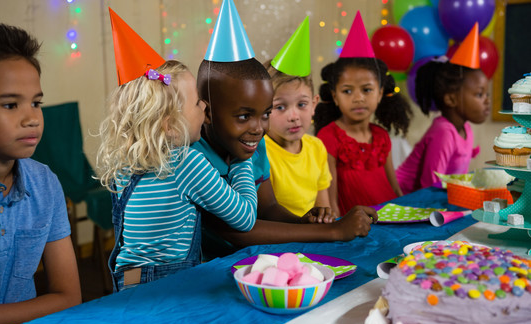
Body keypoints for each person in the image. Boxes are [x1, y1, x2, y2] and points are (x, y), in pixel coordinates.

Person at [193, 2, 376, 258]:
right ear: (208, 113)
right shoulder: (194, 158)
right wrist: (333, 231)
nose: (258, 128)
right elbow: (238, 232)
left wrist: (303, 221)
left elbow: (268, 206)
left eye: (265, 114)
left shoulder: (252, 144)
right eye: (244, 115)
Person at [97, 10, 258, 292]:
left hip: (126, 283)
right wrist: (243, 162)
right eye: (198, 103)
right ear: (170, 124)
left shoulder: (124, 164)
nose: (205, 108)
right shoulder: (185, 163)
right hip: (170, 286)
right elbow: (244, 218)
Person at [0, 21, 81, 324]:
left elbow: (68, 296)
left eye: (36, 103)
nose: (32, 118)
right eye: (11, 104)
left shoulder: (44, 183)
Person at [313, 12, 412, 217]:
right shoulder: (327, 137)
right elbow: (330, 200)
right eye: (347, 91)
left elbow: (394, 190)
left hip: (388, 221)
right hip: (355, 228)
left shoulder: (382, 136)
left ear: (380, 93)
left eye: (366, 90)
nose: (358, 98)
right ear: (335, 96)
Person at [396, 25, 488, 194]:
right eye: (480, 94)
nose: (487, 101)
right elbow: (429, 184)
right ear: (451, 99)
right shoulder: (444, 132)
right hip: (399, 197)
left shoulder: (466, 128)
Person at [263, 17, 333, 217]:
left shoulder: (317, 148)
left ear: (314, 104)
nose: (293, 116)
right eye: (280, 107)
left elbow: (325, 210)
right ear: (264, 110)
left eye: (301, 104)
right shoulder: (261, 154)